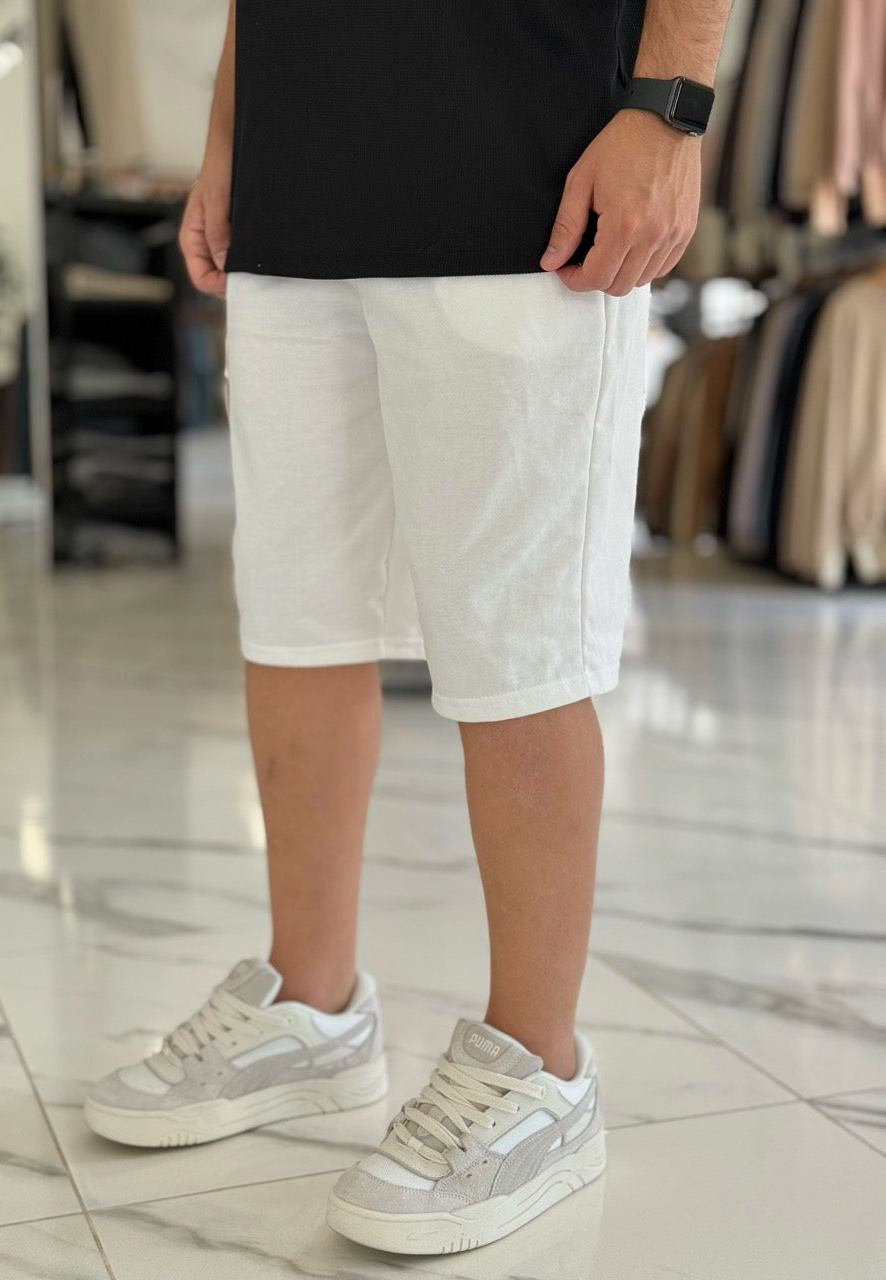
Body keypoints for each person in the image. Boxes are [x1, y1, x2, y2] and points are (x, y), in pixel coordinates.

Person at [84, 0, 731, 1256]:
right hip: (299, 179)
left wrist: (670, 106)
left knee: (518, 643)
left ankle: (540, 1068)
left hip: (527, 171)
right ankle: (310, 1004)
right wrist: (230, 136)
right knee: (296, 617)